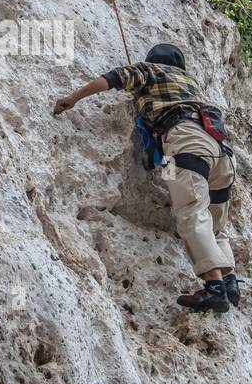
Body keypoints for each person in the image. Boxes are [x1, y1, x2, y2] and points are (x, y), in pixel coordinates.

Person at [52, 43, 239, 312]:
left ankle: (215, 288)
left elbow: (111, 80)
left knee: (191, 212)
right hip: (221, 153)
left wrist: (74, 97)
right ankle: (230, 282)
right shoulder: (191, 84)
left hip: (187, 141)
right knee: (215, 223)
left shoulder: (151, 70)